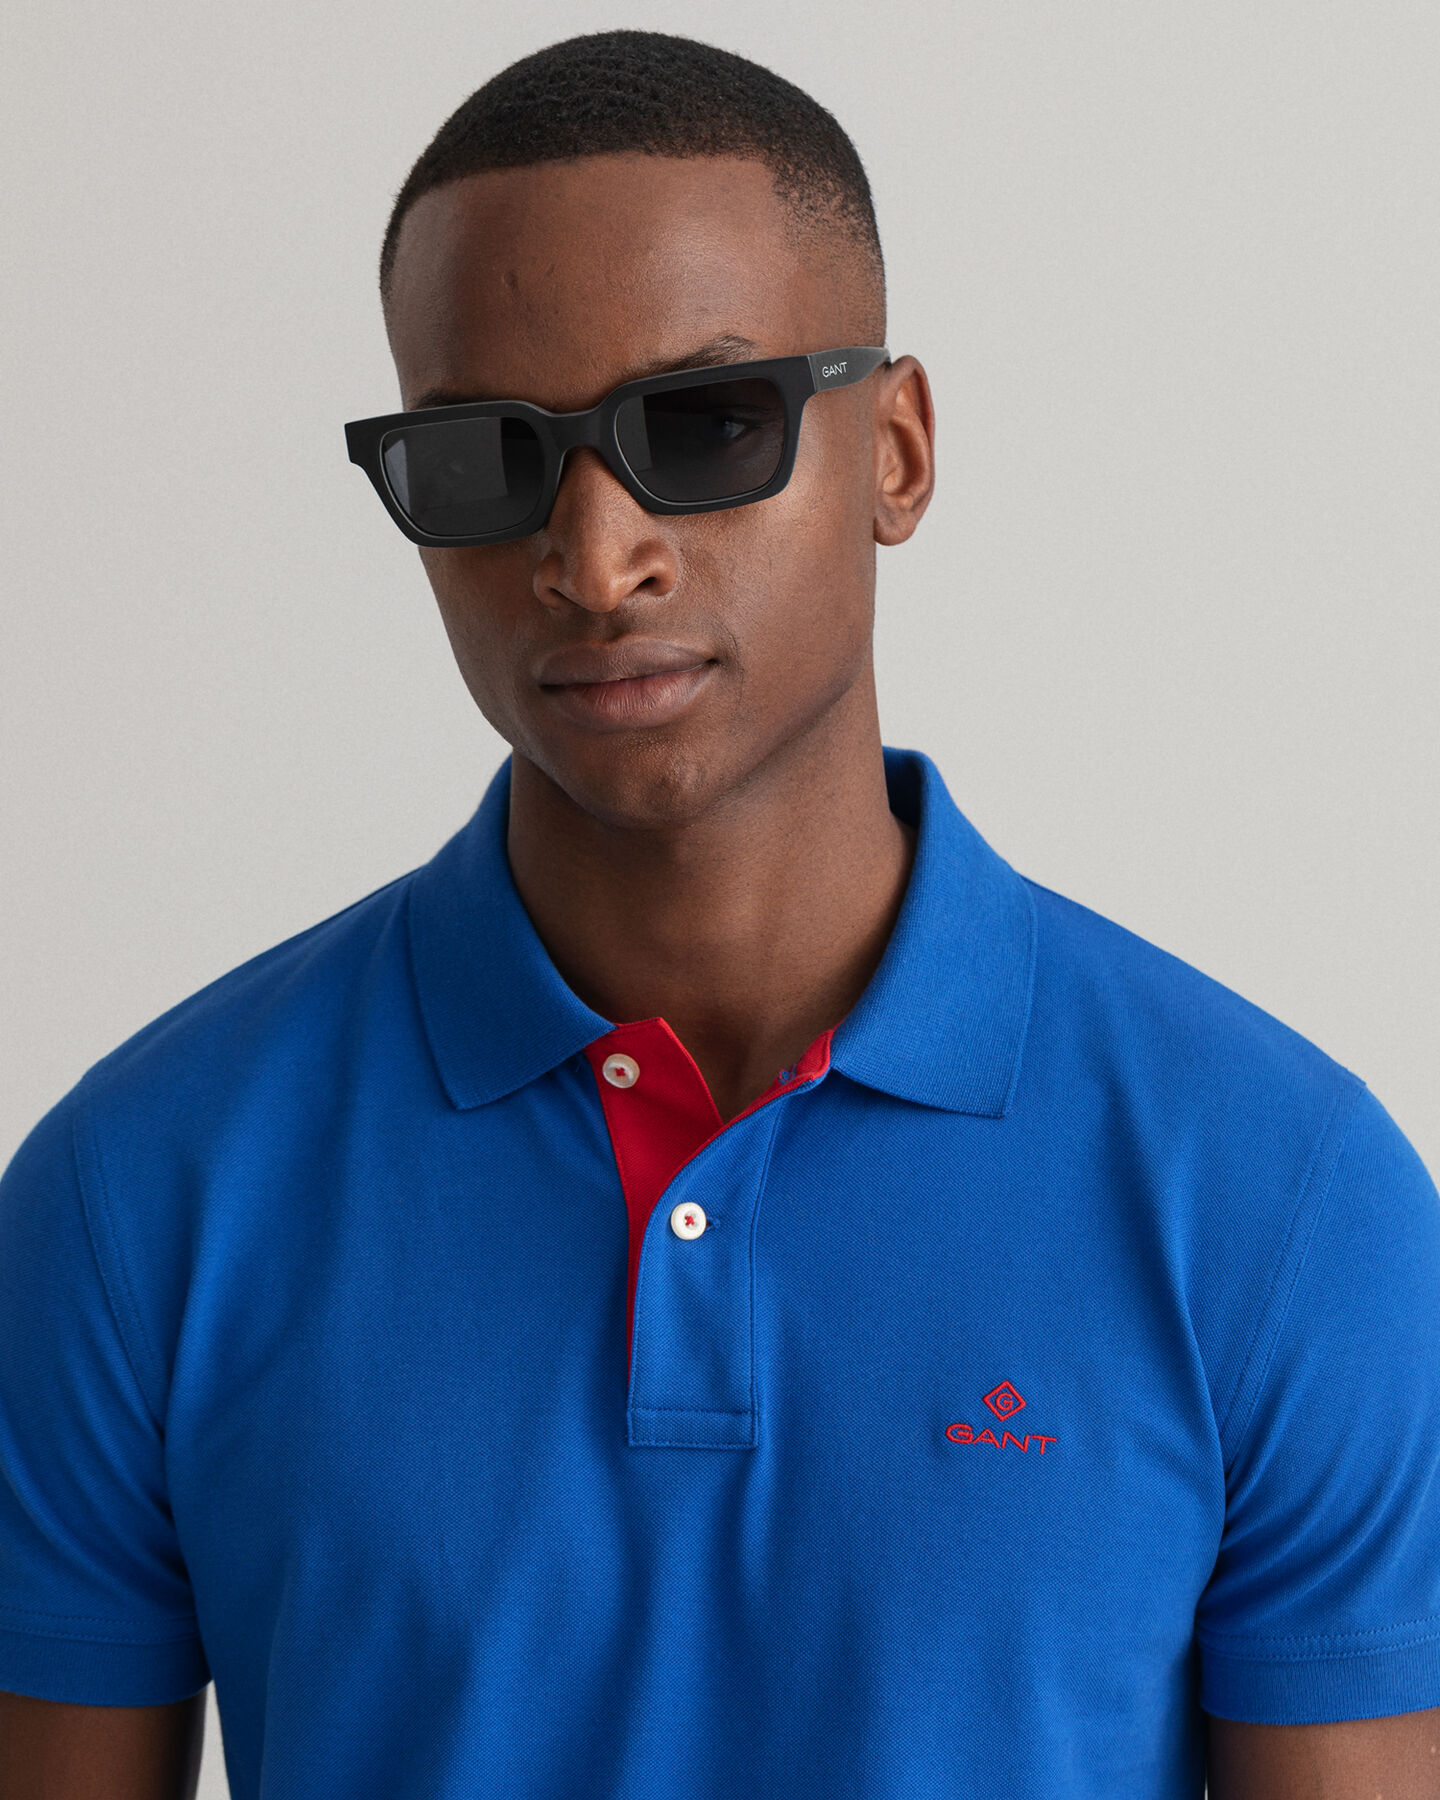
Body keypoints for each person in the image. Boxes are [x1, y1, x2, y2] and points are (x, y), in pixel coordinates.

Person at [1, 28, 1436, 1800]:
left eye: (704, 426)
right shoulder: (139, 1198)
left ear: (897, 451)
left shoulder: (1283, 1201)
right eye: (484, 456)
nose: (596, 558)